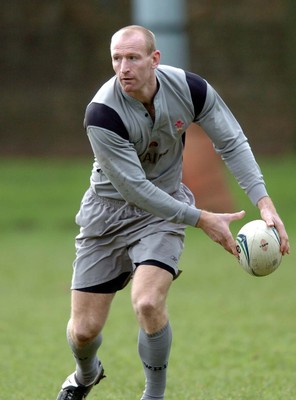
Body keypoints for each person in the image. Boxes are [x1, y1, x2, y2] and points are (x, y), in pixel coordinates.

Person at [56, 25, 290, 400]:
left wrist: (264, 202)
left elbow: (231, 141)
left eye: (132, 58)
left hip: (163, 210)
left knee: (148, 302)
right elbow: (134, 189)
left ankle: (154, 395)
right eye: (116, 58)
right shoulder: (102, 114)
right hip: (107, 214)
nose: (123, 67)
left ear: (155, 59)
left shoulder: (191, 90)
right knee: (83, 331)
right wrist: (202, 218)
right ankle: (85, 375)